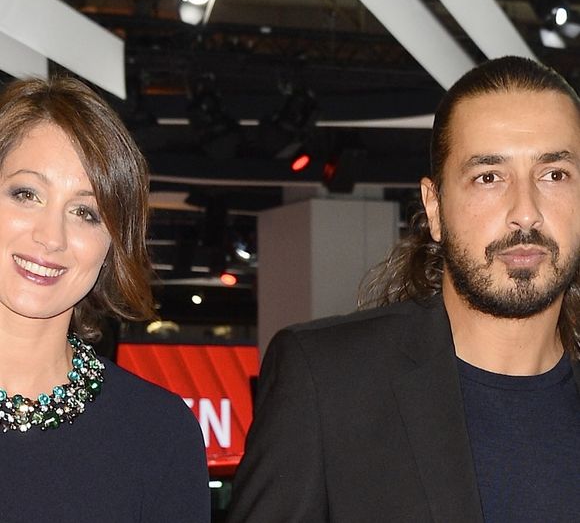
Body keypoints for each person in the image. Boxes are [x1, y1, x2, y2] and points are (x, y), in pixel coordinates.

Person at [227, 56, 580, 523]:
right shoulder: (326, 381)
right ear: (434, 208)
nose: (526, 212)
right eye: (488, 177)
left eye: (553, 175)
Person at [0, 76, 210, 522]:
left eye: (85, 212)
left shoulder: (158, 434)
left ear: (111, 244)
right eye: (26, 194)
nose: (50, 237)